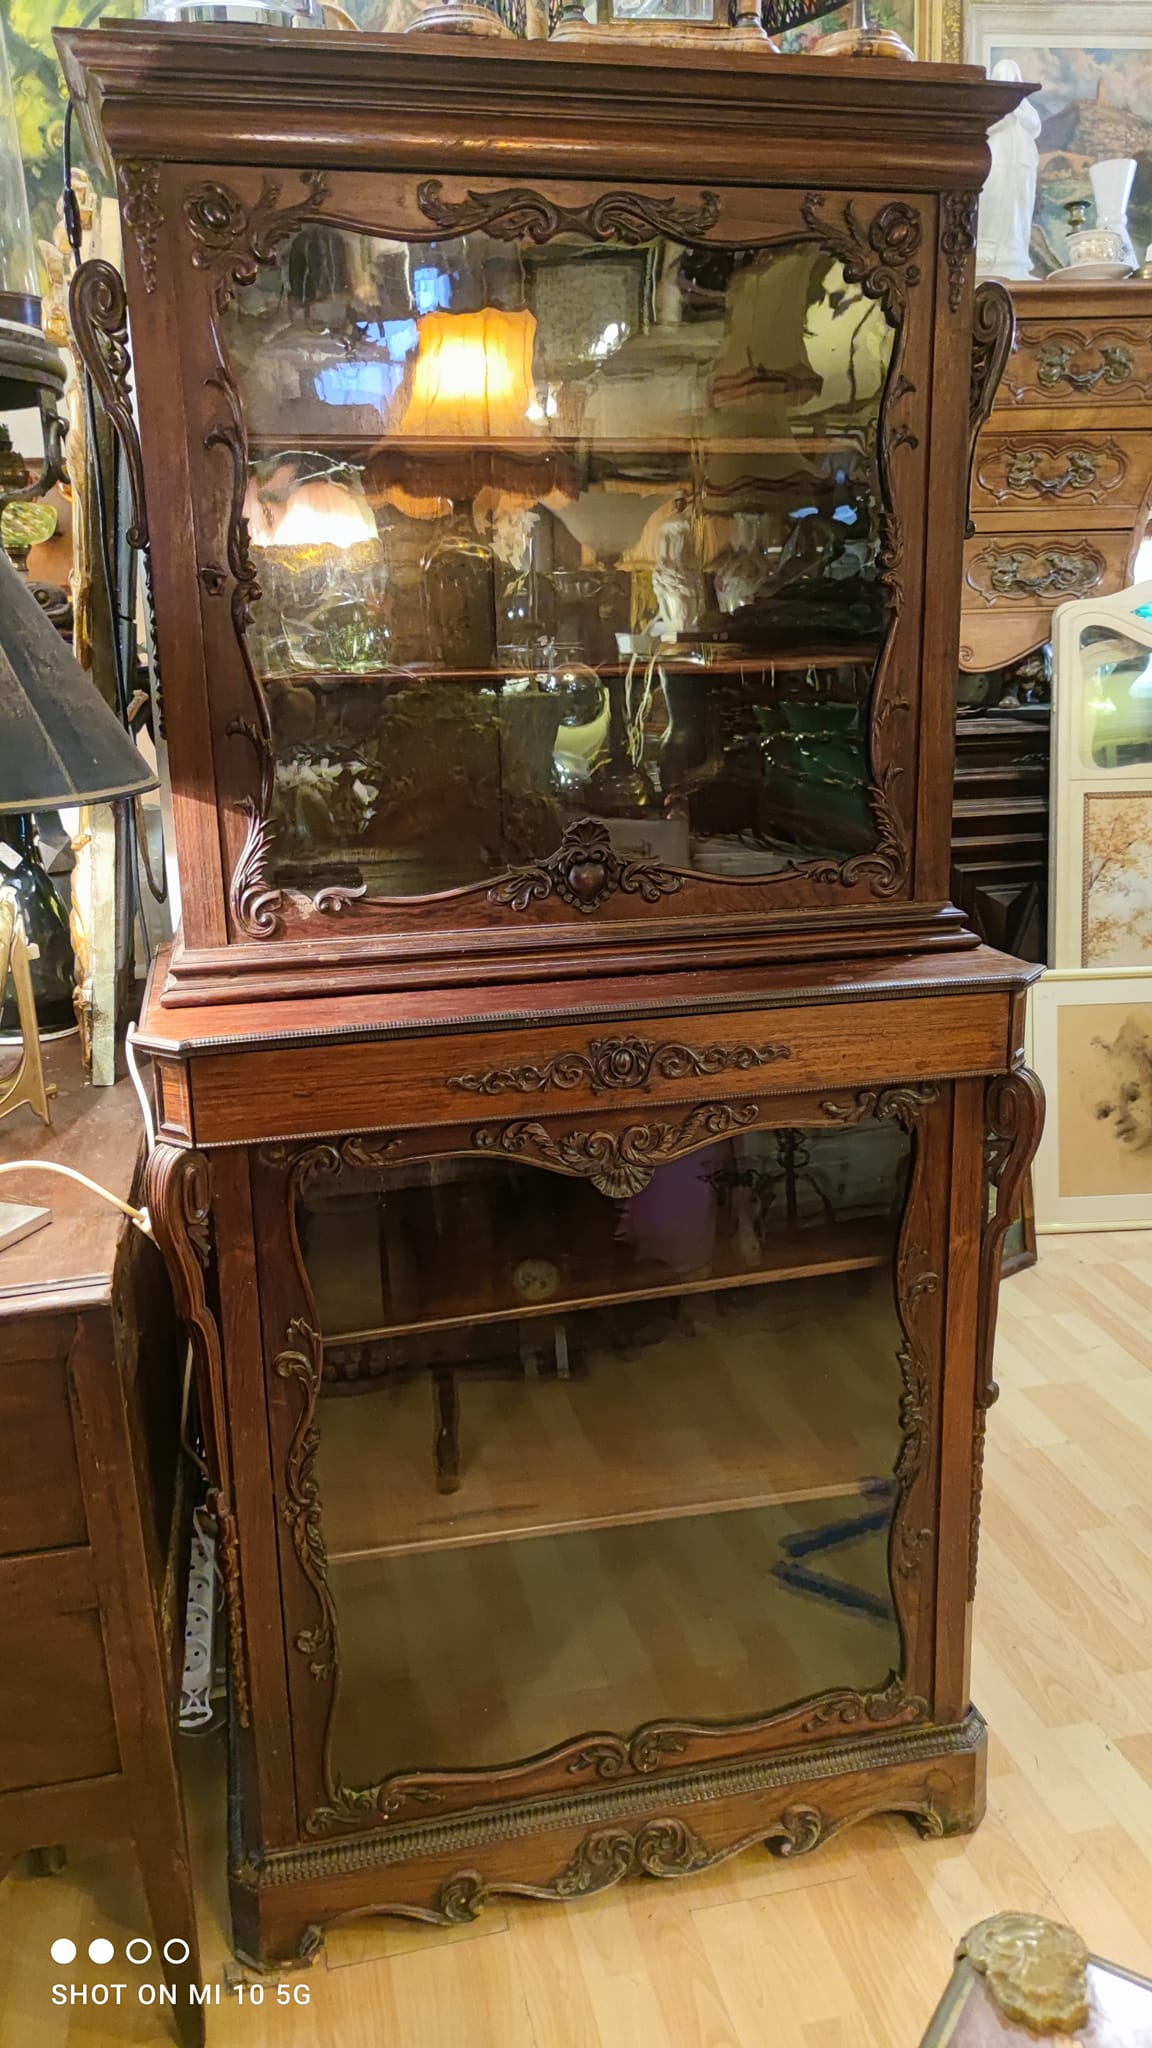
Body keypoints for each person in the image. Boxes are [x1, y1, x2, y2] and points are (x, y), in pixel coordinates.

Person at [976, 59, 1041, 281]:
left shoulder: (1024, 108)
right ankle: (991, 253)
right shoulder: (990, 107)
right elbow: (986, 126)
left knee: (1018, 205)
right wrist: (1003, 114)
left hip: (1020, 166)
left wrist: (1015, 110)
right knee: (993, 201)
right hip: (997, 162)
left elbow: (1035, 125)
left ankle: (1015, 251)